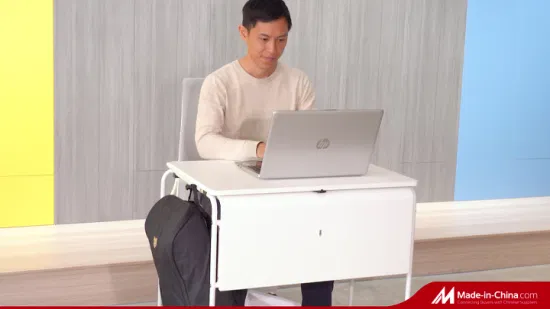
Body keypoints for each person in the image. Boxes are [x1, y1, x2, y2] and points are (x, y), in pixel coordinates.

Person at [194, 0, 335, 306]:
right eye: (265, 39)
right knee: (235, 233)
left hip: (283, 185)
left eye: (282, 39)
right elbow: (205, 142)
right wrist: (257, 149)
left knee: (322, 228)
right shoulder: (218, 83)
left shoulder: (298, 82)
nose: (273, 49)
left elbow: (310, 140)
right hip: (230, 191)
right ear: (243, 33)